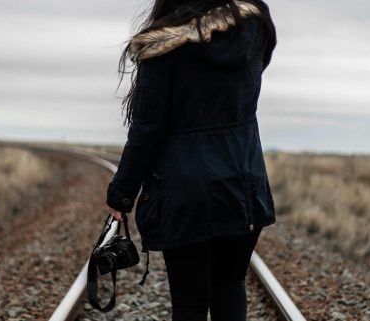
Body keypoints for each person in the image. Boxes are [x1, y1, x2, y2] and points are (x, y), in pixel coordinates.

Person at [105, 0, 277, 320]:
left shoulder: (163, 49)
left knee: (190, 303)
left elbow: (147, 133)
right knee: (230, 283)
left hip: (186, 194)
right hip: (243, 184)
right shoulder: (255, 31)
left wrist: (122, 193)